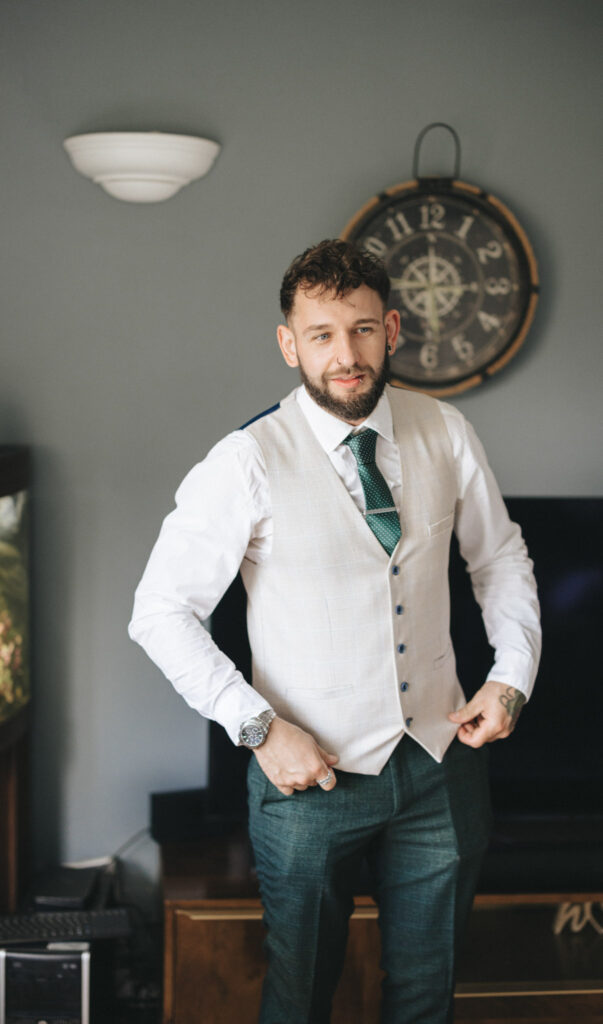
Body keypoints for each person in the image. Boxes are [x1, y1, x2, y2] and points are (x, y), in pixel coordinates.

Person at [129, 239, 541, 1023]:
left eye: (359, 329)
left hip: (439, 763)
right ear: (289, 344)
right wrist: (256, 727)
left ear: (389, 328)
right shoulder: (244, 460)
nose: (343, 355)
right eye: (320, 335)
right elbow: (159, 611)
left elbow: (499, 557)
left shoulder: (444, 429)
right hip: (307, 780)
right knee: (298, 996)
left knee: (427, 995)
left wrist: (511, 672)